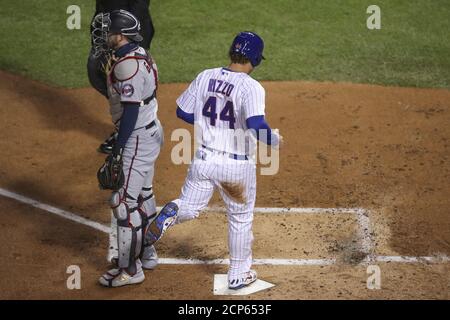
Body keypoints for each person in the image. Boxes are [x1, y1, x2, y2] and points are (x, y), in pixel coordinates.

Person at [144, 31, 283, 289]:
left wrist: (211, 120)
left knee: (190, 206)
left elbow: (183, 111)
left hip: (204, 159)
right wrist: (273, 140)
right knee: (240, 218)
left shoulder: (205, 75)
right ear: (255, 59)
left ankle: (176, 209)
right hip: (235, 166)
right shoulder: (251, 87)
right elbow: (255, 124)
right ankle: (238, 275)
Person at [94, 9, 163, 287]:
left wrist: (118, 147)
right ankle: (147, 252)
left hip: (136, 137)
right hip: (150, 131)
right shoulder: (138, 54)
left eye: (108, 30)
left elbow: (131, 110)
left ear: (120, 35)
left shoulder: (127, 65)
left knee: (122, 203)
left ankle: (130, 269)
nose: (104, 34)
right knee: (143, 196)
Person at [88, 0, 155, 154]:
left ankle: (134, 131)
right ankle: (126, 125)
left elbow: (140, 4)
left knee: (133, 81)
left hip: (126, 30)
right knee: (97, 74)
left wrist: (126, 37)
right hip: (107, 30)